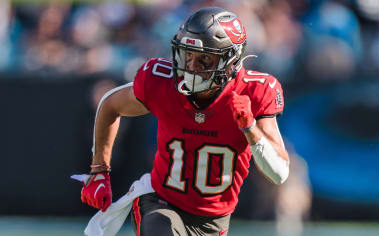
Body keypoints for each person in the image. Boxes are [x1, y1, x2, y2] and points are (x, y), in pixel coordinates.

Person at [78, 7, 290, 236]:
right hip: (161, 202)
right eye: (187, 55)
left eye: (204, 59)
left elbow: (279, 173)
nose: (190, 66)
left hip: (214, 221)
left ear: (230, 61)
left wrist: (250, 129)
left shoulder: (253, 92)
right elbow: (110, 104)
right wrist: (99, 169)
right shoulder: (162, 81)